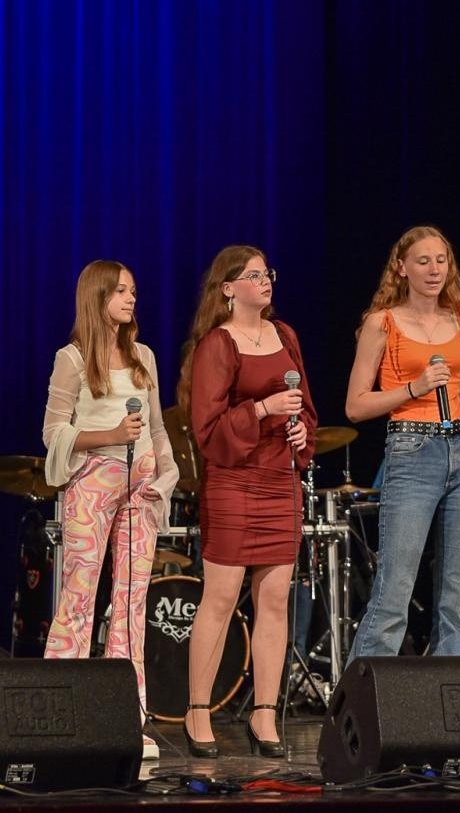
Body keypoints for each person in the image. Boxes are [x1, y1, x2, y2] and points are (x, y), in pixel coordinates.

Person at [177, 245, 315, 759]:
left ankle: (264, 713)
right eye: (253, 275)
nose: (266, 281)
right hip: (234, 482)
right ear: (228, 288)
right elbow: (206, 428)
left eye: (268, 274)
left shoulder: (287, 337)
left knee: (275, 600)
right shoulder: (219, 343)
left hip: (280, 480)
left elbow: (307, 407)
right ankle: (197, 709)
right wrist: (262, 407)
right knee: (221, 596)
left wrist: (304, 433)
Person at [41, 260, 179, 761]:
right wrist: (110, 437)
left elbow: (159, 429)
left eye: (134, 291)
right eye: (120, 291)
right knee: (79, 595)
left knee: (130, 603)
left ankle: (127, 715)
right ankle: (59, 709)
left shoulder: (142, 355)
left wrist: (167, 474)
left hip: (140, 490)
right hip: (93, 484)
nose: (130, 298)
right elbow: (53, 433)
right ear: (97, 297)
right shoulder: (73, 359)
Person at [344, 225, 460, 660]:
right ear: (401, 268)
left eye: (441, 260)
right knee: (394, 594)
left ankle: (445, 706)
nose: (434, 269)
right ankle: (355, 708)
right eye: (423, 261)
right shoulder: (381, 323)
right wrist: (415, 387)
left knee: (456, 599)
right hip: (411, 451)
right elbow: (355, 406)